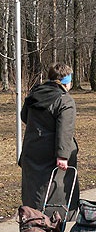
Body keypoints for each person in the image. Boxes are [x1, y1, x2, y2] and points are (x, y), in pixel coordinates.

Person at [19, 62, 79, 219]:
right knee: (54, 190)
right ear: (67, 81)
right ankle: (51, 231)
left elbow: (24, 117)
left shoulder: (34, 95)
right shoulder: (65, 100)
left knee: (33, 190)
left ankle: (32, 226)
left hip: (32, 149)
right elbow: (65, 130)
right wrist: (63, 156)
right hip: (52, 152)